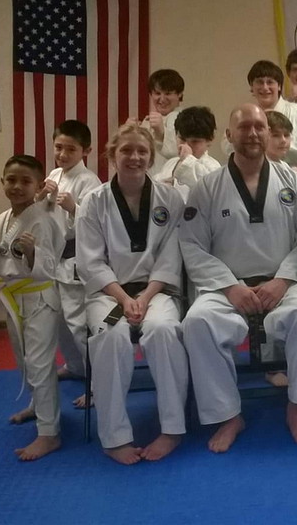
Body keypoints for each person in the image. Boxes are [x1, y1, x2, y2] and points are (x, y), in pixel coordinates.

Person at [181, 104, 297, 448]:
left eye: (260, 126)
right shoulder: (207, 187)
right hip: (229, 286)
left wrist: (283, 280)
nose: (253, 133)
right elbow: (192, 246)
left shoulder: (293, 181)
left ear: (268, 133)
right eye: (244, 127)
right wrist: (231, 287)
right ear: (229, 135)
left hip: (283, 282)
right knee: (197, 323)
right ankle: (229, 415)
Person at [76, 124, 188, 465]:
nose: (134, 157)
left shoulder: (171, 199)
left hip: (157, 290)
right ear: (112, 155)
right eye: (126, 150)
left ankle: (173, 429)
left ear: (151, 158)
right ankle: (114, 438)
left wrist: (146, 296)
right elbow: (90, 261)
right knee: (109, 335)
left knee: (163, 330)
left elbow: (171, 256)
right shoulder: (93, 202)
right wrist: (124, 300)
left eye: (142, 151)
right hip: (109, 295)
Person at [0, 154, 65, 461]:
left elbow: (51, 266)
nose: (17, 186)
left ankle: (49, 433)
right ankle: (37, 406)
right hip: (13, 298)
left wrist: (32, 253)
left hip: (40, 298)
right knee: (23, 360)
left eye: (25, 181)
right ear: (2, 182)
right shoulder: (3, 218)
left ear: (39, 186)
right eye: (11, 180)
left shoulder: (45, 219)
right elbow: (0, 264)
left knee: (40, 363)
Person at [35, 120, 102, 408]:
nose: (62, 154)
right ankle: (75, 366)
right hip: (53, 258)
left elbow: (97, 226)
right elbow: (42, 217)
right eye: (58, 147)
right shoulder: (53, 175)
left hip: (76, 259)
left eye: (70, 149)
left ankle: (99, 384)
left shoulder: (90, 182)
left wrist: (74, 207)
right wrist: (41, 197)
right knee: (60, 321)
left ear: (86, 151)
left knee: (79, 325)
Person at [229, 60, 297, 166]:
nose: (265, 87)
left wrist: (272, 142)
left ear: (279, 86)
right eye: (259, 82)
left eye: (270, 82)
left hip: (294, 172)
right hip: (254, 173)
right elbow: (228, 145)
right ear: (252, 87)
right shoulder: (244, 115)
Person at [153, 106, 221, 201]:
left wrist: (188, 159)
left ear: (210, 140)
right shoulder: (171, 163)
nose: (186, 146)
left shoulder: (213, 168)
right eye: (182, 139)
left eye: (195, 141)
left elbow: (207, 190)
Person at [137, 69, 184, 176]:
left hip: (172, 180)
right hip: (148, 178)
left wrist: (161, 133)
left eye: (168, 93)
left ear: (179, 94)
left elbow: (180, 155)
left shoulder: (185, 119)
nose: (162, 99)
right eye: (157, 93)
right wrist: (130, 132)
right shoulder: (148, 121)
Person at [266, 110, 297, 181]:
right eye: (276, 135)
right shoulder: (258, 169)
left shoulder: (285, 167)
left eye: (286, 135)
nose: (283, 140)